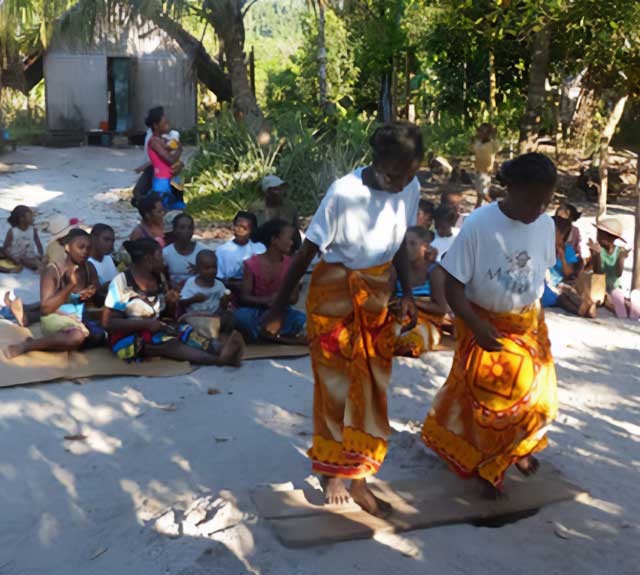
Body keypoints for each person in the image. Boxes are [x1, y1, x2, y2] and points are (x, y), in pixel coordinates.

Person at [261, 122, 423, 517]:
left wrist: (404, 293)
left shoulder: (410, 189)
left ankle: (360, 476)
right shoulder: (344, 193)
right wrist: (279, 308)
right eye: (395, 175)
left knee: (372, 385)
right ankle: (332, 469)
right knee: (334, 384)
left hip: (378, 295)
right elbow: (305, 253)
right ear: (378, 163)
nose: (402, 183)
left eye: (410, 174)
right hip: (333, 295)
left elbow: (401, 241)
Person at [421, 153, 559, 496]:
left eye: (546, 202)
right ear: (511, 188)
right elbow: (452, 284)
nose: (539, 210)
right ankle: (488, 468)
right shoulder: (480, 224)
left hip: (528, 323)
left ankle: (518, 450)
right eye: (532, 200)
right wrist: (474, 325)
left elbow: (540, 274)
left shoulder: (545, 224)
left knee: (535, 398)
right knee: (491, 403)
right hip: (484, 322)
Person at [102, 238, 244, 366]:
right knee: (169, 344)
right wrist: (145, 323)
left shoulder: (159, 278)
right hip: (125, 335)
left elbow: (165, 315)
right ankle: (218, 360)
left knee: (186, 331)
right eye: (159, 256)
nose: (163, 261)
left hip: (154, 328)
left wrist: (171, 303)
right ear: (148, 259)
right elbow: (108, 323)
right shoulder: (121, 282)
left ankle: (218, 349)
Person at [6, 229, 104, 358]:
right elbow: (46, 308)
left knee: (100, 336)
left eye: (88, 248)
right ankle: (27, 345)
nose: (85, 251)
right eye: (81, 247)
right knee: (76, 336)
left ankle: (55, 342)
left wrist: (93, 291)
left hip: (79, 316)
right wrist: (70, 285)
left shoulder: (89, 268)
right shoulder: (52, 270)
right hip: (54, 316)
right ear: (67, 247)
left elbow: (97, 296)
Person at [234, 219, 306, 344]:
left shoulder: (291, 265)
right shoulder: (251, 263)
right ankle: (278, 338)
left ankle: (263, 335)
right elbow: (244, 297)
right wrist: (266, 301)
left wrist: (279, 300)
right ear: (274, 240)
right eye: (289, 238)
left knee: (301, 319)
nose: (292, 242)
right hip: (257, 311)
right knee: (241, 316)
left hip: (281, 312)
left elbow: (294, 298)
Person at [391, 226, 446, 357]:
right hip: (399, 316)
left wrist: (411, 302)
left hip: (426, 322)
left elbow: (441, 308)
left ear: (425, 247)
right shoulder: (395, 269)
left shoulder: (434, 272)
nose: (407, 248)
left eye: (413, 243)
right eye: (404, 244)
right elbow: (390, 300)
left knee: (413, 340)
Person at [541, 215, 593, 317]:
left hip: (561, 282)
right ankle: (581, 310)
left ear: (562, 235)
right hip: (549, 284)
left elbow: (568, 274)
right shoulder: (544, 248)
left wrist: (563, 259)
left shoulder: (568, 250)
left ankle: (585, 306)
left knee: (567, 291)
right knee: (561, 299)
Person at [588, 217, 631, 318]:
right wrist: (596, 255)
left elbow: (618, 273)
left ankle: (627, 313)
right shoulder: (598, 250)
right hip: (599, 286)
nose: (597, 238)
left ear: (610, 238)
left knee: (618, 298)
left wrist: (621, 259)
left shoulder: (619, 251)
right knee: (605, 301)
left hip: (613, 286)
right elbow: (597, 271)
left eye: (600, 235)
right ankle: (620, 309)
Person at [216, 211, 266, 294]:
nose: (239, 230)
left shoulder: (260, 248)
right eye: (237, 226)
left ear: (253, 230)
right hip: (232, 291)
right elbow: (218, 279)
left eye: (244, 228)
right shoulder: (222, 250)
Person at [145, 107, 185, 210]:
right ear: (156, 125)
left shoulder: (163, 140)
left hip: (170, 178)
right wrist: (179, 149)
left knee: (174, 207)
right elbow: (170, 160)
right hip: (161, 180)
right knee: (162, 207)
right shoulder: (154, 142)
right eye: (165, 123)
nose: (168, 126)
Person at [163, 213, 206, 287]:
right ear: (174, 230)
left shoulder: (203, 251)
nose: (187, 231)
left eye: (190, 227)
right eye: (182, 227)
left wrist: (201, 271)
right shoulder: (166, 253)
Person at [3, 205, 43, 271]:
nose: (33, 217)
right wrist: (12, 258)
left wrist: (41, 254)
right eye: (30, 215)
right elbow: (5, 248)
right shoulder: (12, 232)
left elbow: (38, 244)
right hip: (17, 257)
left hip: (30, 256)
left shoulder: (33, 230)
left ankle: (38, 265)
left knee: (44, 260)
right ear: (21, 219)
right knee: (29, 262)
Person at [89, 224, 118, 304]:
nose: (110, 244)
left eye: (112, 241)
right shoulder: (88, 264)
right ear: (93, 238)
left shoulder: (108, 257)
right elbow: (96, 295)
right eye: (106, 240)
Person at [473, 123, 499, 209]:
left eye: (482, 131)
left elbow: (498, 148)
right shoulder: (478, 143)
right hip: (478, 171)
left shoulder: (492, 144)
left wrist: (494, 136)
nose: (479, 133)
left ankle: (496, 207)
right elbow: (473, 150)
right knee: (479, 196)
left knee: (483, 194)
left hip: (485, 173)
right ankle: (477, 211)